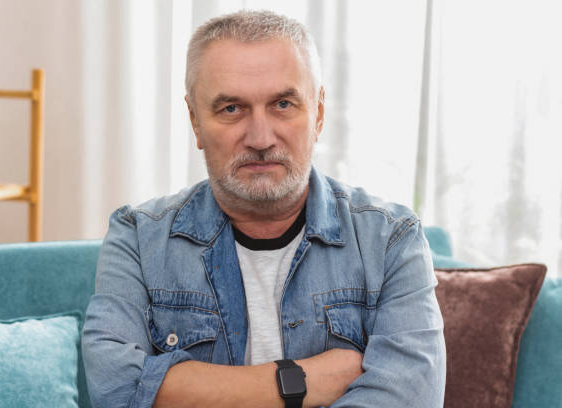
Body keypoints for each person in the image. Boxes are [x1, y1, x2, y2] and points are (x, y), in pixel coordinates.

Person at [82, 9, 446, 408]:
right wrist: (299, 381)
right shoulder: (136, 237)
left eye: (283, 104)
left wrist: (181, 389)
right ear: (195, 122)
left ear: (319, 114)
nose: (260, 137)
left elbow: (410, 398)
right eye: (231, 109)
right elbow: (114, 391)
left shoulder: (391, 239)